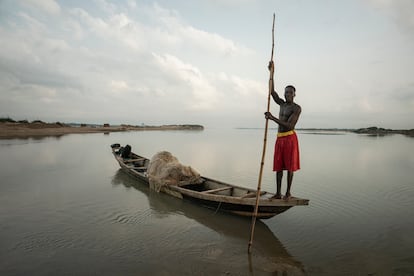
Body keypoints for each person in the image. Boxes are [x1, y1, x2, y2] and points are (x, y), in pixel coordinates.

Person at [264, 61, 301, 200]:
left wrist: (272, 118)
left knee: (290, 167)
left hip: (290, 138)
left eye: (290, 93)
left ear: (294, 94)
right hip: (280, 138)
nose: (287, 95)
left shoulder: (296, 108)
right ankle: (278, 193)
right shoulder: (282, 104)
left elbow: (290, 126)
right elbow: (272, 92)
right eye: (286, 93)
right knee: (278, 166)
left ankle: (288, 193)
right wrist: (271, 73)